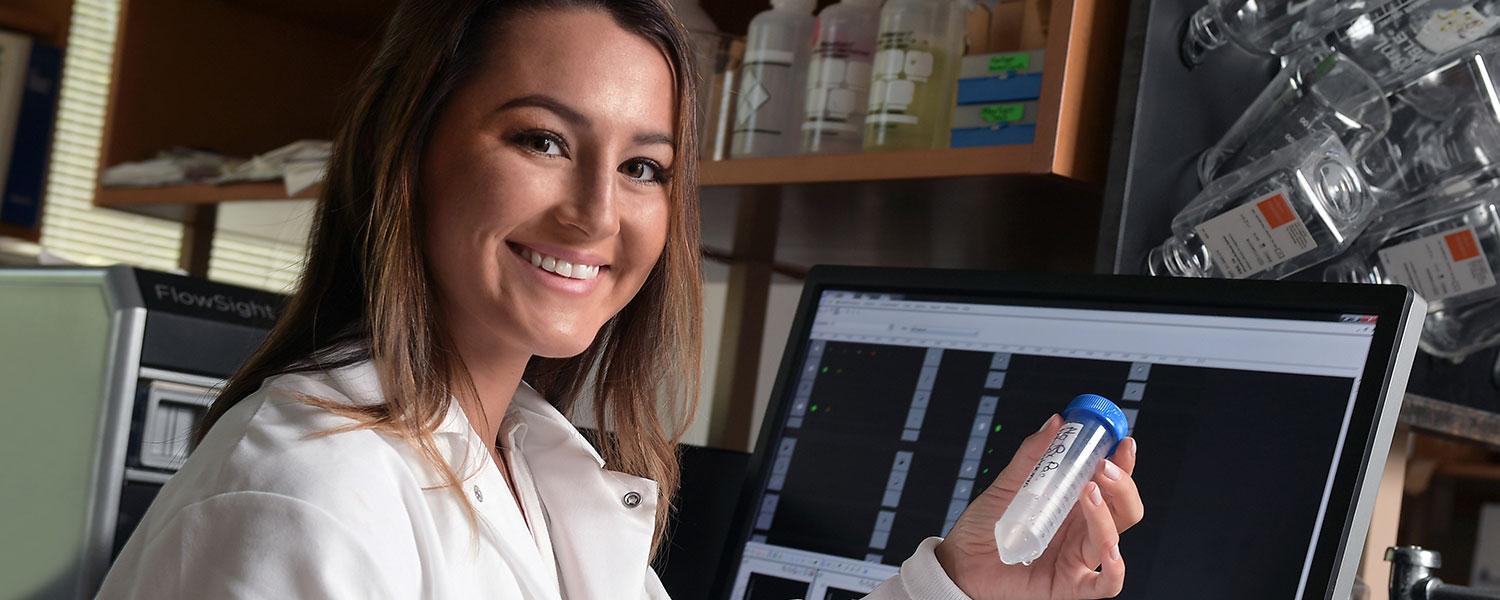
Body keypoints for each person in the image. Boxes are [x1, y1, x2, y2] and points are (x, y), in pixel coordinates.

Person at [96, 0, 1144, 598]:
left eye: (644, 167)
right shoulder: (308, 503)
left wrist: (960, 580)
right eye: (544, 141)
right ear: (408, 155)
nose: (597, 213)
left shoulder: (540, 469)